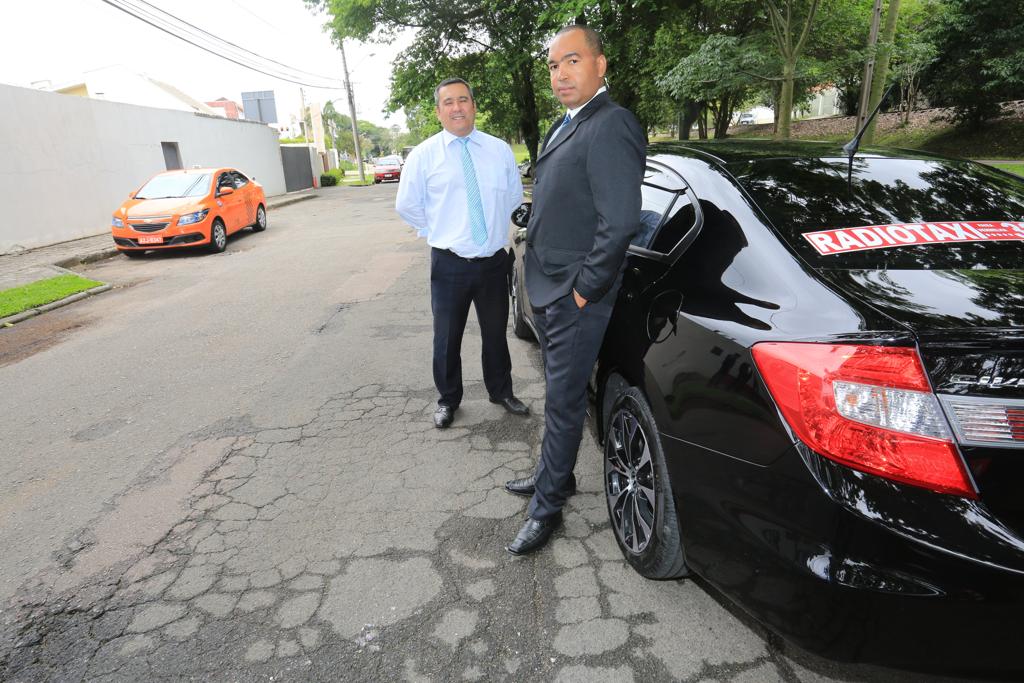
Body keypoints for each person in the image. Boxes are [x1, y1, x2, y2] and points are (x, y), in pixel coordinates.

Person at [504, 26, 645, 555]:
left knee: (563, 402)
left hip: (575, 295)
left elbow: (619, 222)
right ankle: (554, 477)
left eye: (572, 61)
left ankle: (548, 507)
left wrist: (584, 291)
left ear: (600, 65)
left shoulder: (611, 125)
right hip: (550, 285)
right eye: (553, 66)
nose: (560, 74)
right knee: (559, 396)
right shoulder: (566, 125)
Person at [396, 78, 529, 429]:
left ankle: (501, 391)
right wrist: (438, 230)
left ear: (473, 105)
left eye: (463, 100)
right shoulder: (424, 155)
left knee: (496, 333)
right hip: (449, 262)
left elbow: (514, 199)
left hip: (492, 261)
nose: (457, 107)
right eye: (449, 102)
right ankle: (447, 400)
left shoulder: (499, 150)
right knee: (447, 336)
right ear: (439, 111)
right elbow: (407, 205)